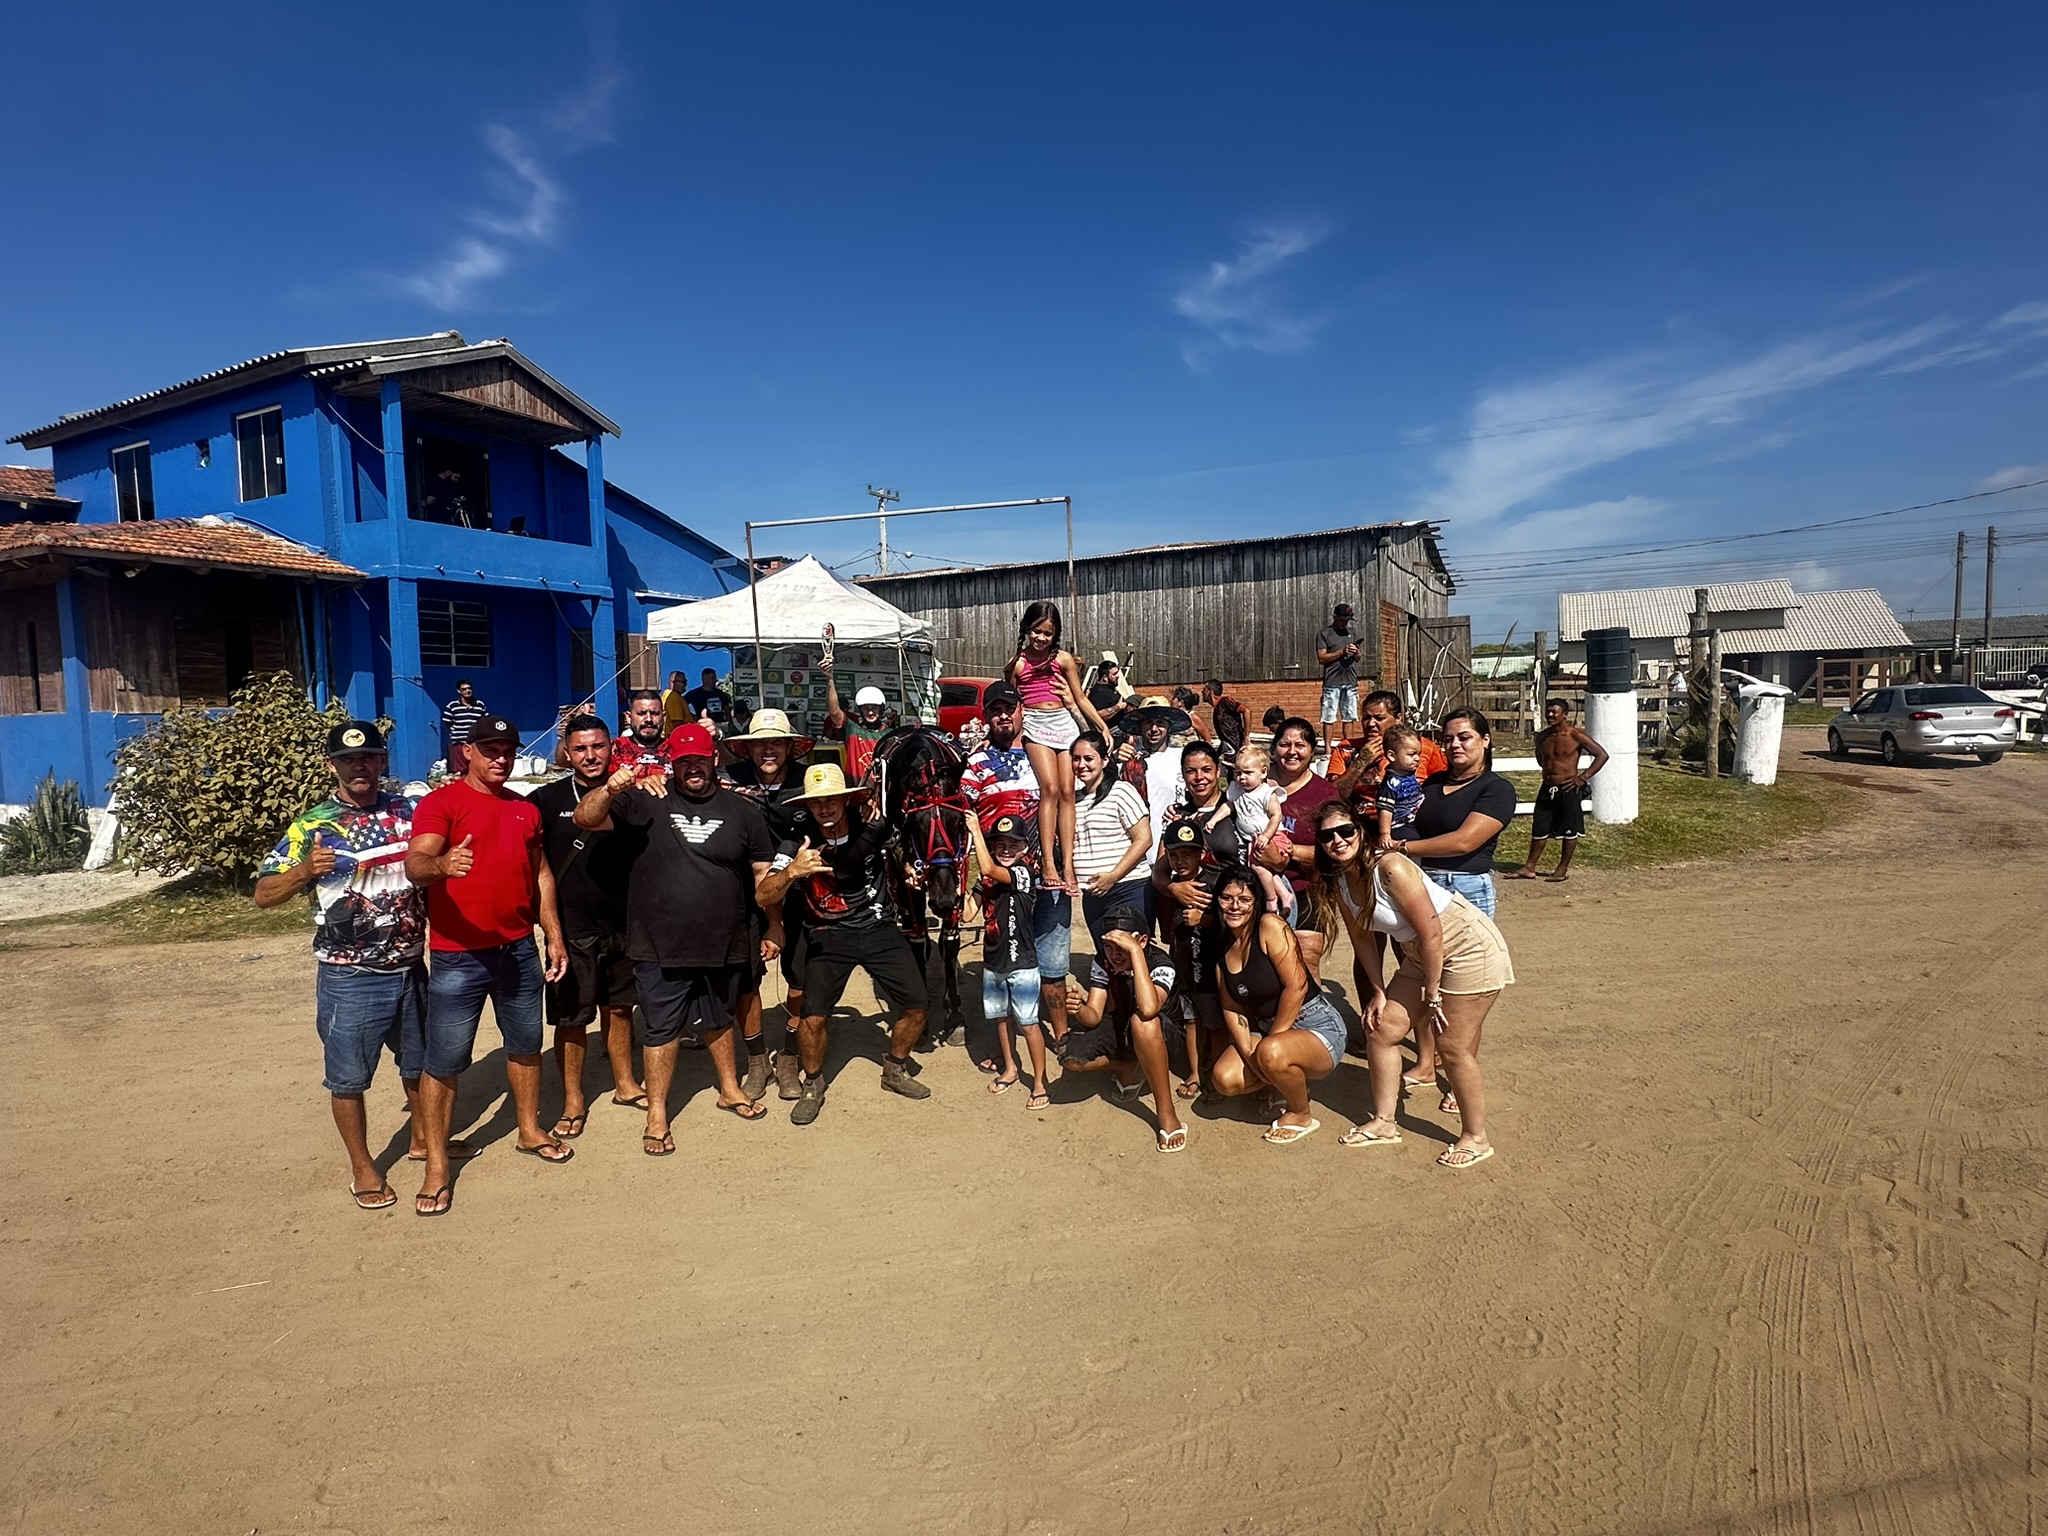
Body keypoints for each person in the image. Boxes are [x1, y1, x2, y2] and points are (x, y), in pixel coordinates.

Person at [570, 723, 774, 1153]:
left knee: (719, 1018)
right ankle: (657, 1114)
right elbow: (584, 817)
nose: (692, 768)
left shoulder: (743, 812)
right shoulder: (646, 799)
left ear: (714, 759)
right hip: (659, 943)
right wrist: (612, 787)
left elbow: (761, 874)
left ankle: (730, 1088)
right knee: (661, 1029)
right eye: (684, 762)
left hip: (725, 939)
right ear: (672, 764)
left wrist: (775, 925)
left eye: (699, 759)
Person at [253, 720, 427, 1211]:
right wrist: (304, 871)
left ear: (382, 761)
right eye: (348, 759)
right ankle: (363, 1167)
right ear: (333, 766)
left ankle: (422, 1139)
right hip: (350, 976)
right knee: (348, 1079)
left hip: (411, 966)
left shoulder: (409, 812)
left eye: (368, 756)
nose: (359, 766)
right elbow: (263, 894)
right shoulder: (312, 826)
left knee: (420, 1065)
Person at [405, 714, 573, 1218]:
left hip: (518, 949)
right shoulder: (441, 803)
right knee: (444, 1060)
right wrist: (442, 866)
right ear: (468, 753)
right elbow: (416, 864)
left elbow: (541, 875)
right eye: (490, 750)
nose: (501, 758)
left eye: (508, 750)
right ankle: (437, 1166)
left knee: (525, 1043)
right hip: (459, 954)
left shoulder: (524, 809)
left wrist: (553, 934)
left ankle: (528, 1129)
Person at [1303, 799, 1511, 1166]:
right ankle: (1385, 1123)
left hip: (1466, 947)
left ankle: (1475, 1137)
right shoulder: (1340, 880)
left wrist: (1432, 992)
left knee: (1452, 1045)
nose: (1337, 840)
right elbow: (1362, 938)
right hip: (1421, 953)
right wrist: (1378, 990)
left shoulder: (1391, 867)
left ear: (1360, 832)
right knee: (1382, 1027)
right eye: (1327, 836)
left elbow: (1433, 932)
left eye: (1345, 831)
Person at [756, 763, 932, 1124]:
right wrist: (791, 872)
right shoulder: (797, 840)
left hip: (879, 928)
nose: (824, 808)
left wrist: (910, 871)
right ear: (807, 805)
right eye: (816, 802)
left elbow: (901, 849)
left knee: (917, 1005)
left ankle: (895, 1069)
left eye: (831, 800)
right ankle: (813, 1083)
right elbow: (763, 895)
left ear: (845, 800)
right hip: (827, 933)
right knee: (812, 1017)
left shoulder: (872, 823)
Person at [529, 713, 646, 1141]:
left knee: (620, 1008)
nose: (590, 755)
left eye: (598, 746)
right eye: (580, 748)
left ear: (612, 747)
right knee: (572, 1018)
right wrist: (552, 934)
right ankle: (573, 1099)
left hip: (624, 924)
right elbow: (538, 871)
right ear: (566, 752)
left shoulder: (633, 796)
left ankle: (625, 1083)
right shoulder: (545, 800)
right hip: (572, 928)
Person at [961, 683, 1072, 1063]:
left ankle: (1063, 1036)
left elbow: (1072, 797)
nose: (1003, 715)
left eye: (1009, 707)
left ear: (1023, 709)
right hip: (1001, 883)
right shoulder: (976, 762)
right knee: (1004, 963)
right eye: (995, 710)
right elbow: (962, 815)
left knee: (1052, 965)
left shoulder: (1047, 753)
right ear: (985, 717)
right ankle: (1005, 1051)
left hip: (1048, 877)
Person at [1207, 866, 1348, 1145]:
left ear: (1256, 902)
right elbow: (1232, 1007)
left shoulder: (1270, 926)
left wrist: (1269, 1046)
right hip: (1267, 1029)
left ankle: (1300, 1112)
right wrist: (1250, 1053)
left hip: (1315, 1023)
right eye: (1226, 898)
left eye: (1244, 899)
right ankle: (1285, 1080)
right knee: (1224, 1078)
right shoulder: (1222, 946)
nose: (1235, 906)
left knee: (1271, 1053)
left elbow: (1297, 986)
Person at [721, 707, 816, 1099]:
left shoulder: (807, 781)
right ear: (748, 748)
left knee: (801, 981)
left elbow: (839, 811)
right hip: (743, 897)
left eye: (776, 742)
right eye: (760, 743)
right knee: (746, 982)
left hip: (801, 896)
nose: (768, 750)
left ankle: (789, 1056)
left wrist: (867, 807)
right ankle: (757, 1059)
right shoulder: (728, 780)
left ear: (790, 747)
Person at [1063, 907, 1188, 1153]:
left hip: (1165, 1033)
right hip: (1123, 1024)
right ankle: (1128, 1064)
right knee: (1071, 1058)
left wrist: (1136, 954)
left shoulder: (1161, 963)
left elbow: (1149, 1009)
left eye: (1122, 947)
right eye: (1109, 946)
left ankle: (1166, 1113)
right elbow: (1093, 1016)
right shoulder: (1102, 961)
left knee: (1143, 1022)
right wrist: (1079, 1008)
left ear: (1142, 941)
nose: (1114, 955)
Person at [1005, 600, 1109, 893]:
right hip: (1035, 725)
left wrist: (1100, 725)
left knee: (1067, 791)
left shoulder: (1063, 660)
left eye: (1048, 633)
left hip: (1063, 723)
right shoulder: (1018, 664)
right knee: (1049, 789)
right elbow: (1011, 703)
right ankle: (1048, 862)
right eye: (1036, 631)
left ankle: (1069, 865)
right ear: (1027, 629)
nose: (1041, 638)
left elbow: (1080, 697)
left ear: (1056, 635)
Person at [1399, 706, 1516, 918]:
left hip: (1465, 887)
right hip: (1420, 882)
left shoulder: (1497, 789)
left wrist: (1402, 847)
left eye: (1464, 738)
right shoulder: (1433, 783)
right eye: (1448, 739)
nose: (1454, 745)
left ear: (1485, 740)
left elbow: (1464, 842)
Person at [970, 814, 1052, 1110]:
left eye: (1013, 844)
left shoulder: (1023, 873)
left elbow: (989, 867)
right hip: (993, 963)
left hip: (1023, 965)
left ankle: (1040, 1082)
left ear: (1025, 848)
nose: (1006, 849)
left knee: (1028, 1024)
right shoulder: (986, 880)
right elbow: (967, 913)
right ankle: (1010, 1067)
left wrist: (975, 831)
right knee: (1001, 1019)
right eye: (1000, 844)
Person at [1251, 718, 1339, 978]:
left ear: (1312, 751)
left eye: (1300, 745)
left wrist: (1289, 852)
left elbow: (1336, 852)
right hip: (1254, 888)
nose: (1292, 751)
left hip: (1306, 888)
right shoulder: (1252, 782)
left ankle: (1310, 1006)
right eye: (1284, 744)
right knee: (1259, 964)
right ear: (1273, 749)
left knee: (1306, 961)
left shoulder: (1324, 795)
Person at [1153, 817, 1226, 1104]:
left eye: (1187, 854)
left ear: (1201, 853)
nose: (1180, 861)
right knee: (1191, 1020)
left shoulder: (1216, 881)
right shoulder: (1170, 887)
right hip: (1183, 966)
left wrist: (1202, 919)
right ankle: (1195, 1072)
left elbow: (1230, 925)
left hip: (1211, 969)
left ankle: (1216, 1073)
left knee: (1216, 1024)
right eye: (1174, 855)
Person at [1510, 698, 1608, 883]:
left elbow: (1602, 755)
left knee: (1569, 830)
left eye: (1554, 712)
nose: (1550, 715)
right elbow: (1541, 760)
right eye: (1548, 712)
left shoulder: (1575, 735)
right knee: (1539, 828)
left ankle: (1562, 869)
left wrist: (1583, 777)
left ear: (1565, 714)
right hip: (1547, 788)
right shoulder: (1542, 736)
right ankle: (1529, 867)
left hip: (1569, 788)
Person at [1070, 730, 1153, 941]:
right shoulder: (1074, 800)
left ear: (1105, 760)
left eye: (1089, 758)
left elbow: (1144, 839)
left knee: (1130, 951)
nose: (1081, 765)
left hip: (1127, 888)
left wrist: (1114, 876)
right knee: (1106, 954)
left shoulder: (1121, 791)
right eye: (1076, 759)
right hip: (1092, 895)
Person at [1204, 742, 1292, 918]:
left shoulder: (1267, 793)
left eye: (1248, 773)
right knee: (1266, 869)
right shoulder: (1237, 790)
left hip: (1272, 836)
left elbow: (1276, 816)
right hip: (1253, 839)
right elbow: (1229, 806)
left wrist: (1267, 835)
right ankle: (1285, 894)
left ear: (1263, 773)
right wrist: (1213, 820)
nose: (1242, 778)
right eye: (1238, 773)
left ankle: (1271, 899)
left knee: (1257, 867)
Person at [1339, 690, 1447, 824]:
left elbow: (1445, 787)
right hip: (1361, 825)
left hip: (1412, 825)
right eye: (1366, 718)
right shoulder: (1346, 749)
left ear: (1398, 719)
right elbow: (1331, 797)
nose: (1371, 724)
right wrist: (1361, 762)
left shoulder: (1424, 747)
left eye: (1379, 718)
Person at [1116, 696, 1188, 844]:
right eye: (1148, 723)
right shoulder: (1128, 761)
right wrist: (1112, 761)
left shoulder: (1183, 758)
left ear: (1169, 727)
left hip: (1175, 842)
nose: (1154, 729)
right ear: (1140, 727)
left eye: (1160, 723)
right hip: (1135, 844)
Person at [821, 657, 894, 783]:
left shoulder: (890, 735)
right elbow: (834, 712)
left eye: (874, 708)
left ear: (881, 709)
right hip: (855, 790)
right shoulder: (852, 730)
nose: (870, 712)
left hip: (882, 792)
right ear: (860, 710)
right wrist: (829, 679)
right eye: (866, 708)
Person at [1373, 724, 1426, 851]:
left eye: (1419, 754)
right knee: (1413, 842)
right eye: (1411, 754)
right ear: (1392, 756)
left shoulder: (1408, 774)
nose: (1417, 758)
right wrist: (1385, 833)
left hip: (1414, 819)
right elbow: (1386, 809)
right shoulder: (1391, 784)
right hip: (1400, 825)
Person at [1316, 602, 1363, 730]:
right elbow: (1321, 658)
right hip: (1332, 681)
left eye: (1347, 620)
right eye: (1343, 620)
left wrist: (1356, 652)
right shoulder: (1325, 633)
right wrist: (1341, 652)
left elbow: (1358, 658)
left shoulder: (1352, 633)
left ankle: (1347, 742)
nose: (1345, 623)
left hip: (1350, 680)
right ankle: (1327, 743)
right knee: (1328, 716)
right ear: (1334, 617)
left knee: (1349, 716)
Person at [611, 689, 671, 777]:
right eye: (641, 713)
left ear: (664, 717)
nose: (649, 719)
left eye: (654, 713)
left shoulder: (675, 748)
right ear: (629, 717)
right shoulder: (615, 749)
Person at [440, 679, 487, 768]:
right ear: (459, 691)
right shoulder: (452, 706)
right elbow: (447, 722)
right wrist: (455, 732)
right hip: (459, 743)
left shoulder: (480, 705)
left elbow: (484, 721)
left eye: (469, 688)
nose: (467, 691)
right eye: (464, 689)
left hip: (475, 743)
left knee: (475, 768)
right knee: (460, 771)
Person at [1088, 652, 1135, 734]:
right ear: (1105, 677)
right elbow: (1097, 716)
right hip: (1112, 731)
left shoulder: (1110, 688)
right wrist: (1117, 707)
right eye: (1114, 674)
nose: (1118, 676)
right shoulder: (1098, 693)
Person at [1204, 679, 1247, 759]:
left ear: (1210, 691)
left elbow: (1246, 711)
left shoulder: (1225, 702)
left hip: (1235, 747)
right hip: (1227, 747)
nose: (1202, 692)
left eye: (1204, 690)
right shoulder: (1217, 708)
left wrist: (1246, 736)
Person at [684, 668, 733, 736]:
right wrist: (692, 716)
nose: (715, 680)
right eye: (712, 678)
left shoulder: (720, 693)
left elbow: (727, 709)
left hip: (720, 726)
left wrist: (730, 724)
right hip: (704, 726)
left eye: (715, 678)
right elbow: (682, 705)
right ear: (704, 679)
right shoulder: (694, 694)